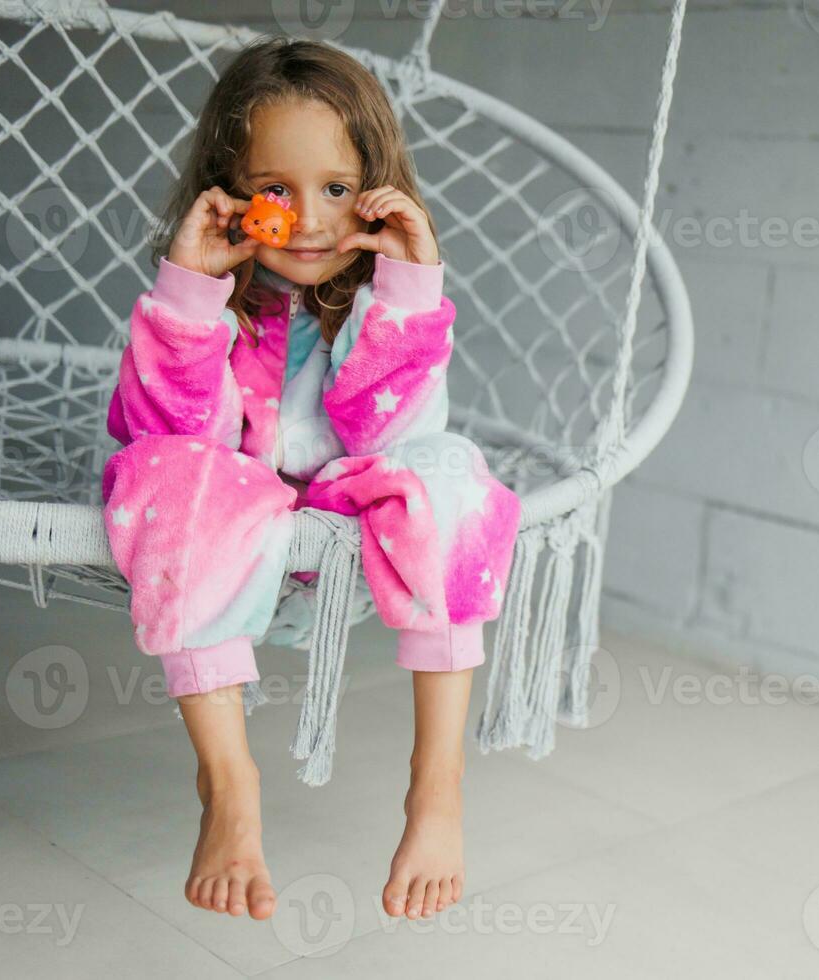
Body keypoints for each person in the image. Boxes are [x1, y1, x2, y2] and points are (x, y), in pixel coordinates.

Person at [101, 37, 520, 924]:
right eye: (274, 191)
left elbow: (394, 438)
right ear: (230, 193)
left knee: (453, 474)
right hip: (231, 530)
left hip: (349, 519)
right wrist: (187, 295)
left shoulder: (386, 305)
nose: (312, 219)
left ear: (375, 187)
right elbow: (166, 440)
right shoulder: (209, 294)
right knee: (166, 474)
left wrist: (408, 287)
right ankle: (229, 786)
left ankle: (436, 788)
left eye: (336, 188)